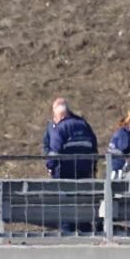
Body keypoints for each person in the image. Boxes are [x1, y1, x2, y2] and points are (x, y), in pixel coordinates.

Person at [45, 98, 98, 232]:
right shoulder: (85, 126)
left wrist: (50, 167)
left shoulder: (60, 128)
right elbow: (94, 148)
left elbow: (54, 152)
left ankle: (68, 237)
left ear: (60, 115)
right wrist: (93, 167)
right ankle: (87, 238)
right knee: (84, 207)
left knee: (66, 210)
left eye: (55, 116)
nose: (54, 119)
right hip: (85, 173)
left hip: (65, 174)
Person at [108, 110, 130, 232]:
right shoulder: (126, 136)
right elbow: (126, 154)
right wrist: (128, 166)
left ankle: (110, 226)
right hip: (121, 173)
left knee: (119, 199)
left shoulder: (119, 133)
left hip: (115, 172)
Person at [108, 110, 130, 178]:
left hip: (113, 169)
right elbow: (125, 152)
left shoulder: (121, 132)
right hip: (120, 172)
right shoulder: (125, 135)